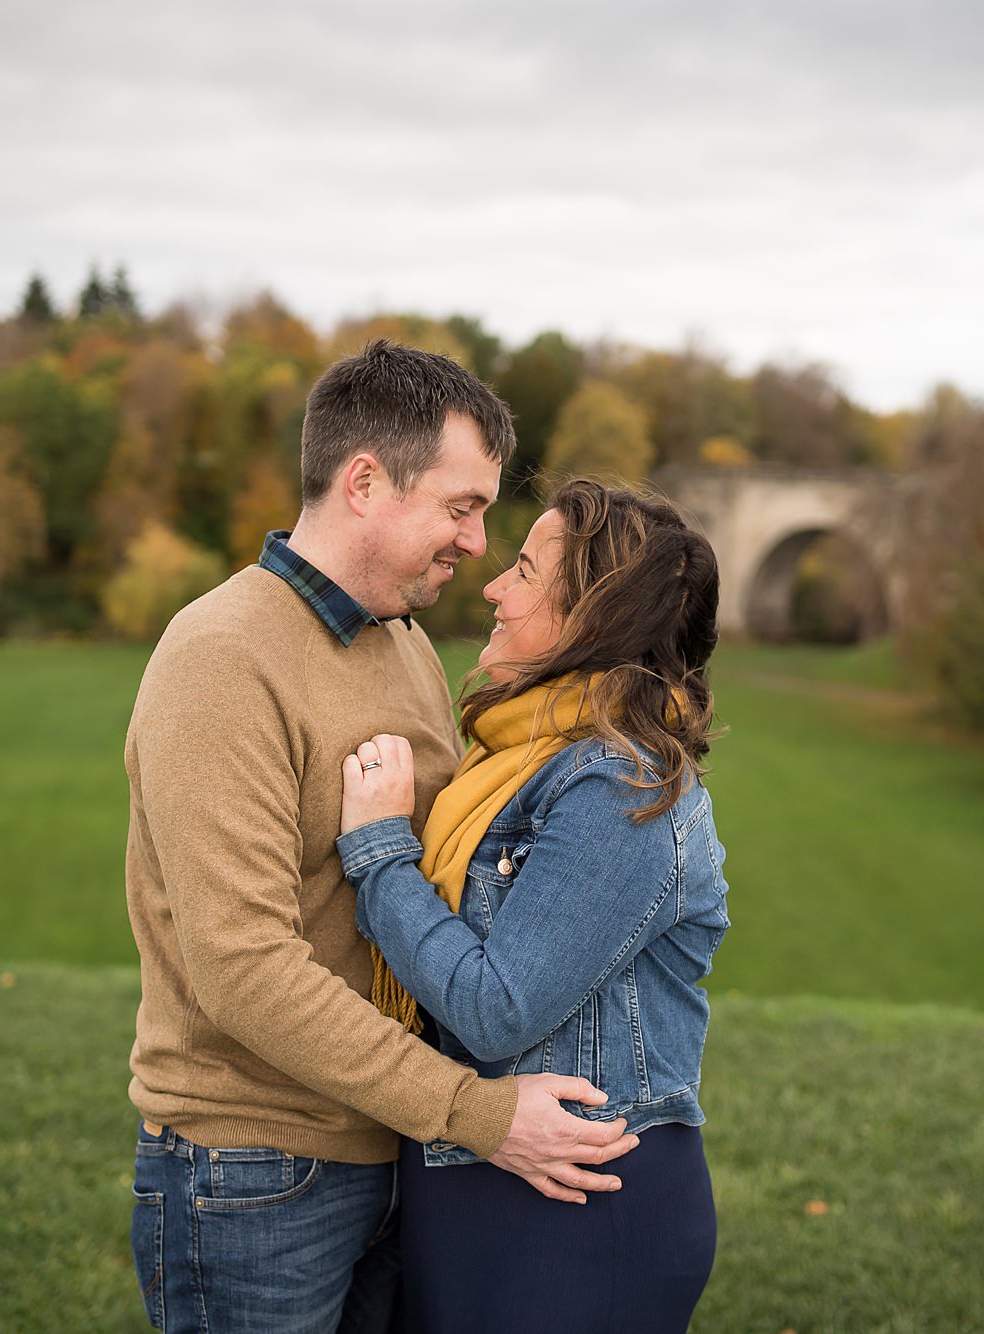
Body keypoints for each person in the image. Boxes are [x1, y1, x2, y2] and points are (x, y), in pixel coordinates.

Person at [123, 343, 638, 1334]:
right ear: (364, 481)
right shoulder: (221, 659)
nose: (476, 543)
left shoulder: (399, 639)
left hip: (394, 1151)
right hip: (253, 1173)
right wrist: (477, 1113)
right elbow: (240, 967)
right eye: (459, 507)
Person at [337, 479, 730, 1334]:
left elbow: (496, 1007)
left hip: (579, 1206)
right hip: (482, 1176)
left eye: (522, 570)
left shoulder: (620, 784)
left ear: (595, 618)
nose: (492, 587)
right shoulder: (525, 753)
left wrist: (377, 852)